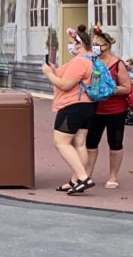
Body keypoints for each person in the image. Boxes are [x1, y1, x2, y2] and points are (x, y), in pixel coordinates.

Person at [41, 26, 97, 195]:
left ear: (79, 44)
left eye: (72, 43)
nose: (70, 46)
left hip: (73, 106)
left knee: (61, 142)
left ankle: (83, 178)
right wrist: (55, 71)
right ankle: (75, 181)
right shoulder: (93, 59)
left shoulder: (80, 61)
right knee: (80, 143)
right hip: (87, 105)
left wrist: (48, 74)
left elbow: (65, 85)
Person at [85, 29, 132, 190]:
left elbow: (127, 88)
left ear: (107, 46)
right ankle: (86, 175)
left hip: (115, 110)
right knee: (90, 142)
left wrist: (109, 89)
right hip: (95, 109)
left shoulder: (117, 63)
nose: (95, 47)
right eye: (93, 44)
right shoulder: (91, 61)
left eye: (98, 45)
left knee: (115, 143)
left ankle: (113, 176)